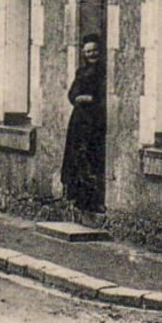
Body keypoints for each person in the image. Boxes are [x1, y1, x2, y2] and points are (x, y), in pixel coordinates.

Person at [61, 34, 107, 214]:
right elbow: (72, 93)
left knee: (92, 158)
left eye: (94, 50)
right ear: (83, 53)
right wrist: (77, 98)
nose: (92, 54)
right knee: (77, 158)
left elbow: (104, 95)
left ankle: (94, 201)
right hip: (79, 121)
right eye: (88, 51)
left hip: (95, 121)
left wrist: (92, 99)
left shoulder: (103, 71)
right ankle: (80, 200)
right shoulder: (81, 72)